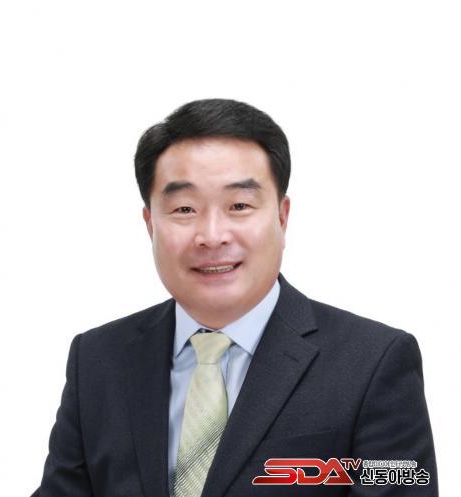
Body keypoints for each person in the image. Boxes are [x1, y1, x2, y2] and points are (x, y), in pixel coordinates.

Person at [32, 99, 438, 496]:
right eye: (184, 209)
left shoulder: (374, 363)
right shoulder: (98, 359)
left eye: (239, 205)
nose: (212, 236)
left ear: (282, 216)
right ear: (150, 224)